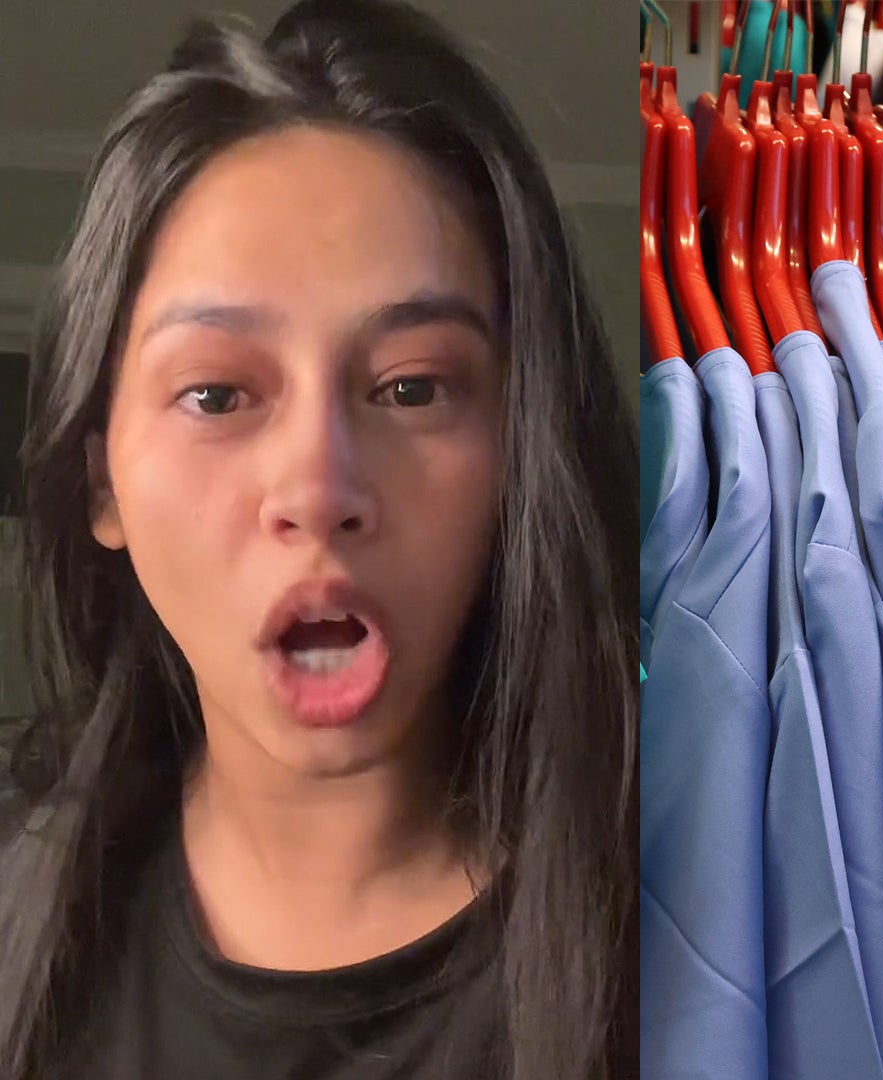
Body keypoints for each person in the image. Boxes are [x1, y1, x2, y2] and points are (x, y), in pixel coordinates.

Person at [0, 1, 640, 1077]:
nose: (318, 486)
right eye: (216, 393)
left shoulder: (697, 952)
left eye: (412, 387)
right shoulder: (21, 907)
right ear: (101, 477)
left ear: (522, 453)